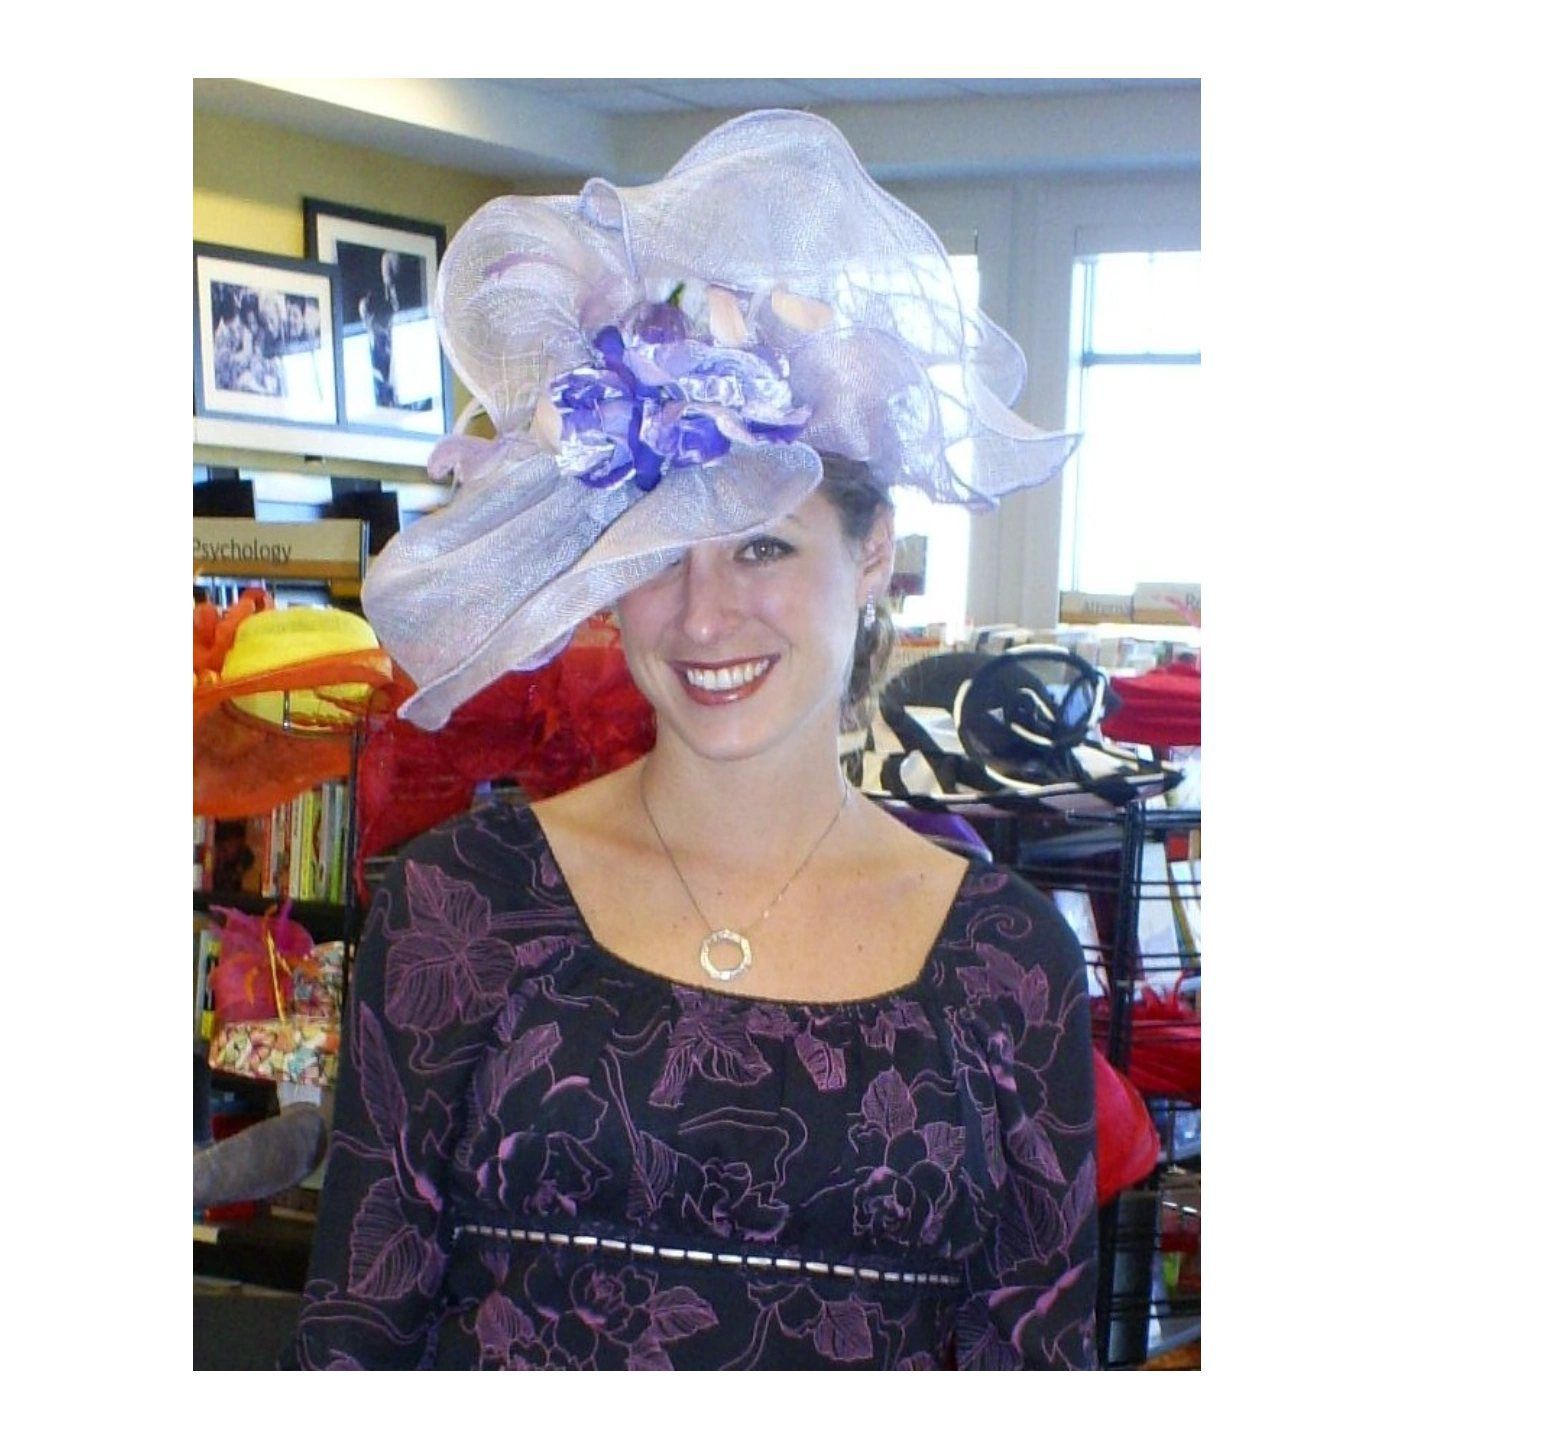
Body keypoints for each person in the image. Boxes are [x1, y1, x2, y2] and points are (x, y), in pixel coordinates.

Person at [284, 109, 1097, 1370]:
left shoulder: (1008, 964)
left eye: (763, 547)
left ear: (873, 556)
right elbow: (355, 1336)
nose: (704, 616)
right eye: (657, 555)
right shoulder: (462, 908)